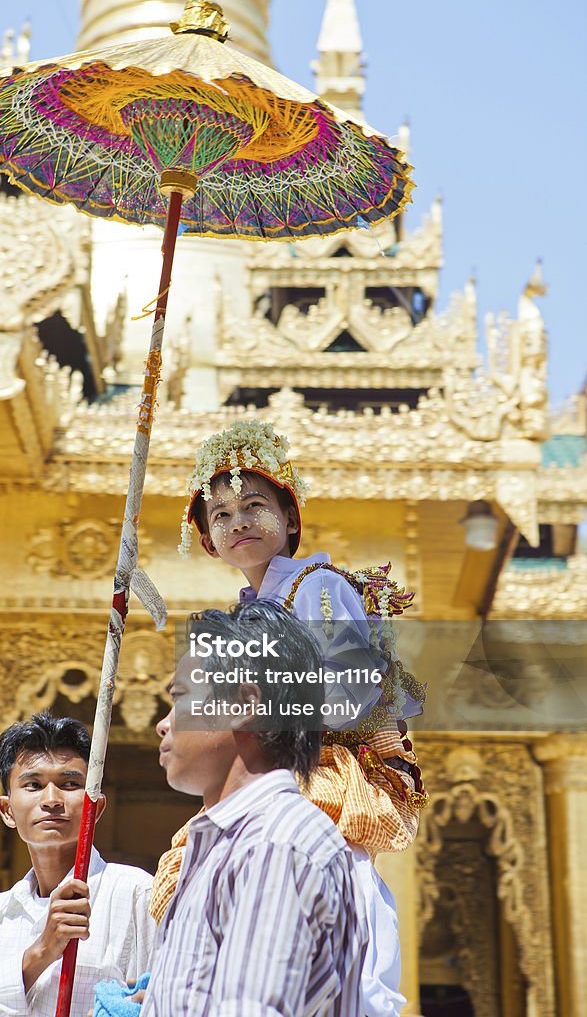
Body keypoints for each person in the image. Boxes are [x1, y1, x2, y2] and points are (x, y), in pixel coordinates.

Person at [151, 418, 429, 1015]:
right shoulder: (248, 610)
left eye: (254, 505)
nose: (239, 523)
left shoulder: (315, 583)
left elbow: (354, 690)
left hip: (325, 778)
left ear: (290, 519)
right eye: (220, 515)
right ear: (205, 537)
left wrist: (261, 700)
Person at [142, 600, 366, 1016]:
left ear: (245, 705)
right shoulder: (225, 844)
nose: (164, 722)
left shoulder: (276, 844)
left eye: (180, 697)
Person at [0, 712, 155, 1017]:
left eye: (70, 783)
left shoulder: (136, 893)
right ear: (7, 811)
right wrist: (40, 953)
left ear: (96, 808)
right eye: (34, 785)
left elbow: (168, 996)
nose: (52, 799)